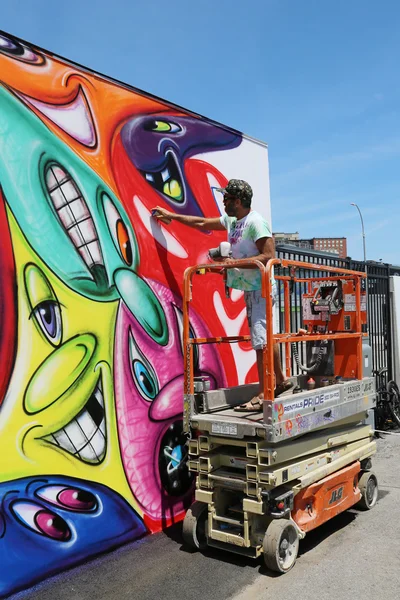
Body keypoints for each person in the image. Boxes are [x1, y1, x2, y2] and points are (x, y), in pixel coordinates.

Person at [152, 178, 293, 410]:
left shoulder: (255, 222)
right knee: (266, 336)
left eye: (226, 198)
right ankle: (280, 380)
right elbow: (201, 222)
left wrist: (233, 262)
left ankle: (263, 393)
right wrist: (173, 216)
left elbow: (269, 256)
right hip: (252, 287)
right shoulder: (232, 221)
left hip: (262, 288)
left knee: (261, 340)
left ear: (238, 201)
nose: (223, 201)